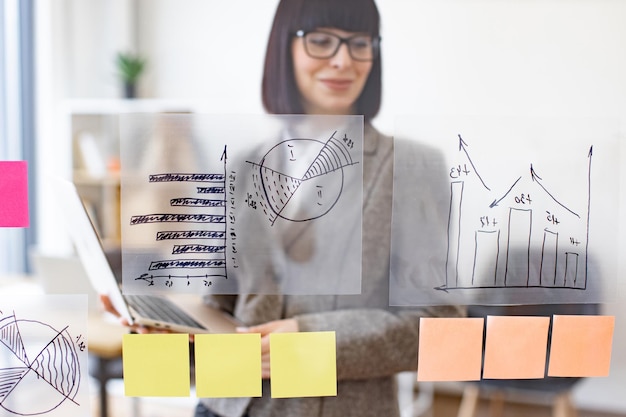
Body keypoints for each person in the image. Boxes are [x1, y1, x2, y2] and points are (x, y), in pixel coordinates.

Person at [104, 0, 464, 416]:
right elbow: (223, 302)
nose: (343, 59)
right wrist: (168, 322)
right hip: (225, 404)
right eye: (322, 41)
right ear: (284, 49)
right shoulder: (242, 164)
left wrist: (309, 335)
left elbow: (439, 321)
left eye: (360, 43)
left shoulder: (410, 168)